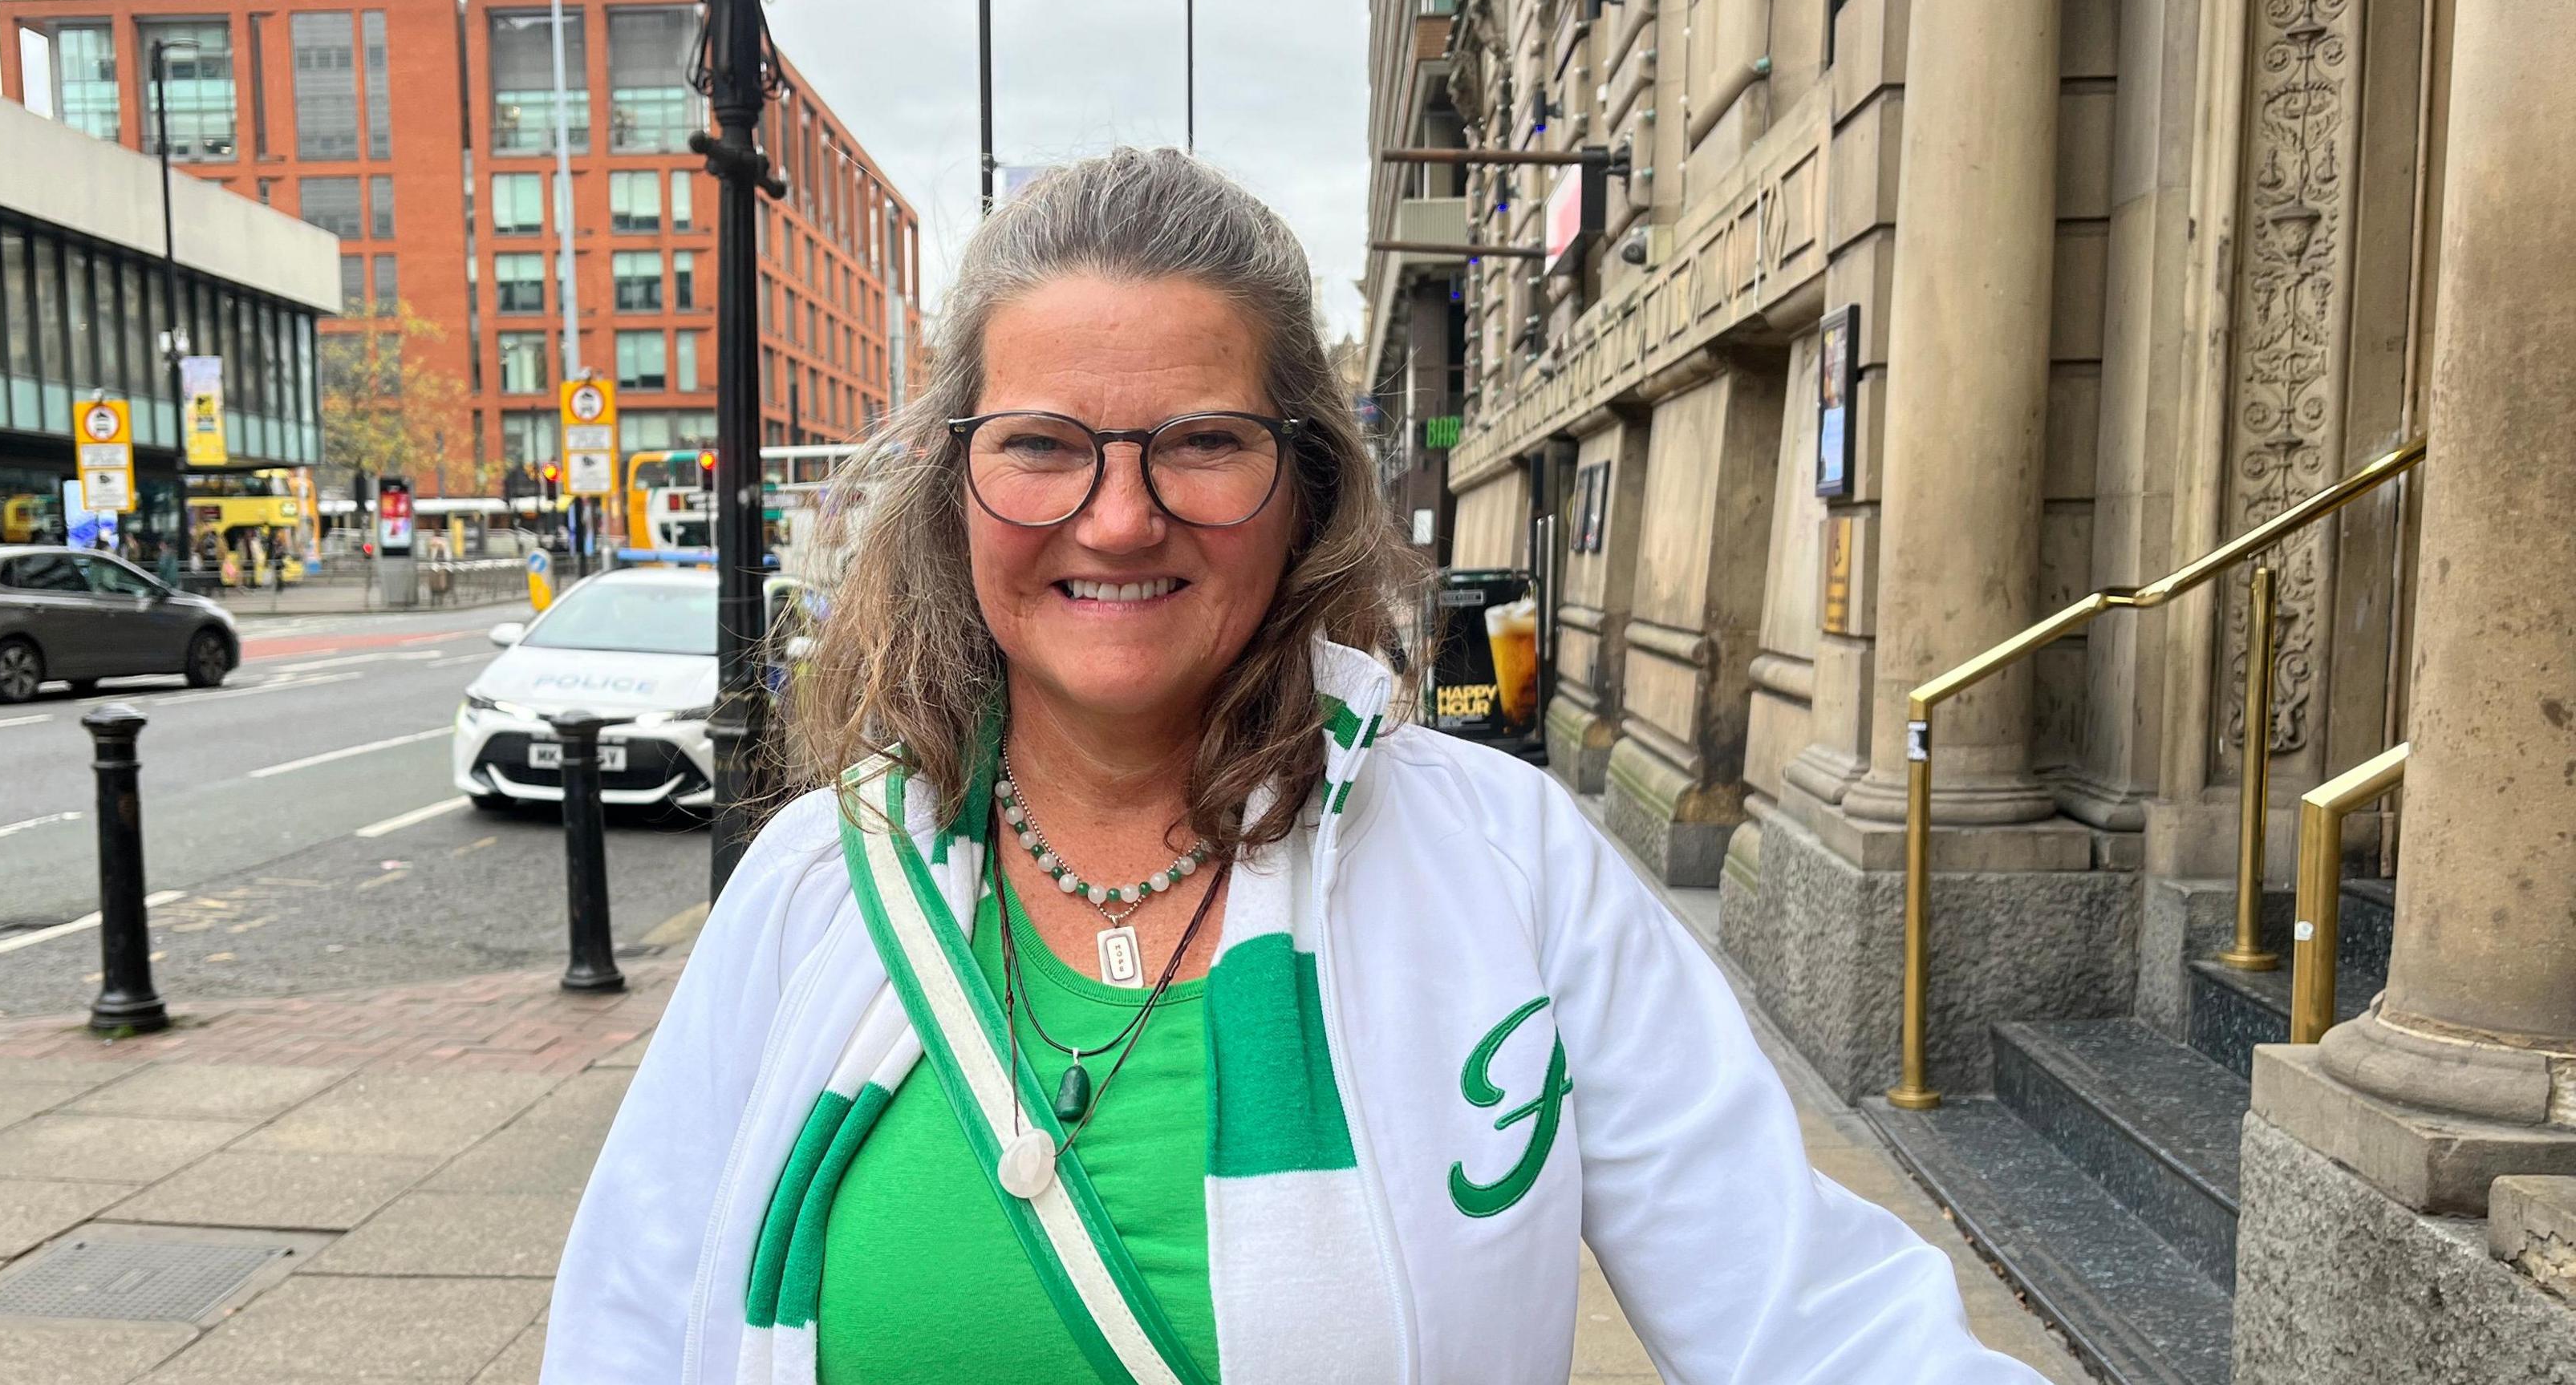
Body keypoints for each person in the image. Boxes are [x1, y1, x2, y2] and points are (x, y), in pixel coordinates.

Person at [544, 150, 2038, 1383]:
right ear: (956, 488)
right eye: (1045, 444)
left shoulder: (1507, 868)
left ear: (1305, 482)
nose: (1120, 517)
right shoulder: (819, 886)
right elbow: (627, 1323)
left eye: (1200, 440)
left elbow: (1815, 1316)